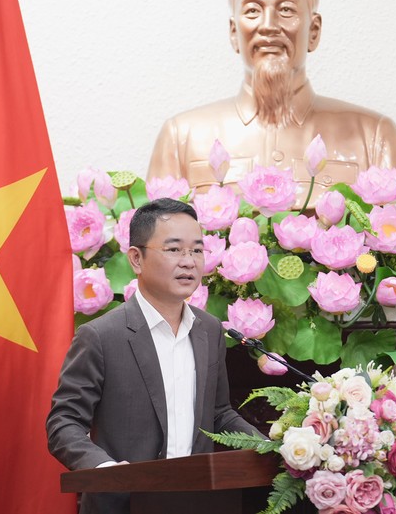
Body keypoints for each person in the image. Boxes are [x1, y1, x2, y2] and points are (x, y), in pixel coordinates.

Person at [47, 198, 262, 514]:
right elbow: (64, 422)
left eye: (197, 250)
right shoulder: (101, 336)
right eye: (174, 249)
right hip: (123, 504)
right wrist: (106, 470)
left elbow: (219, 414)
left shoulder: (209, 329)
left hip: (200, 503)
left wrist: (269, 448)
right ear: (136, 259)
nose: (188, 262)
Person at [148, 0, 396, 208]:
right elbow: (155, 236)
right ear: (234, 32)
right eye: (252, 10)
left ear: (313, 31)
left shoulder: (373, 136)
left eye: (286, 10)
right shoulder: (181, 137)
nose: (268, 25)